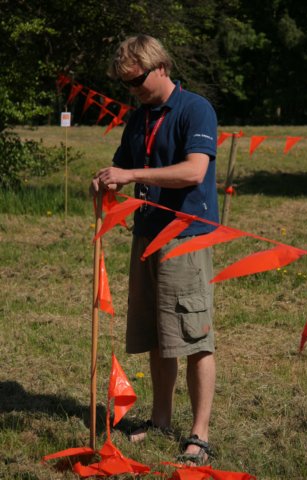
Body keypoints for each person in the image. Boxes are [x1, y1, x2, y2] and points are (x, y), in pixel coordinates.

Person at [91, 34, 218, 465]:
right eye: (126, 85)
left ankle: (199, 434)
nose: (133, 91)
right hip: (147, 235)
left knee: (193, 335)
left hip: (184, 236)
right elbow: (123, 166)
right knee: (159, 337)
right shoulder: (139, 116)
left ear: (159, 66)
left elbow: (194, 171)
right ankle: (160, 420)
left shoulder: (195, 108)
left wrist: (132, 173)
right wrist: (107, 181)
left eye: (137, 81)